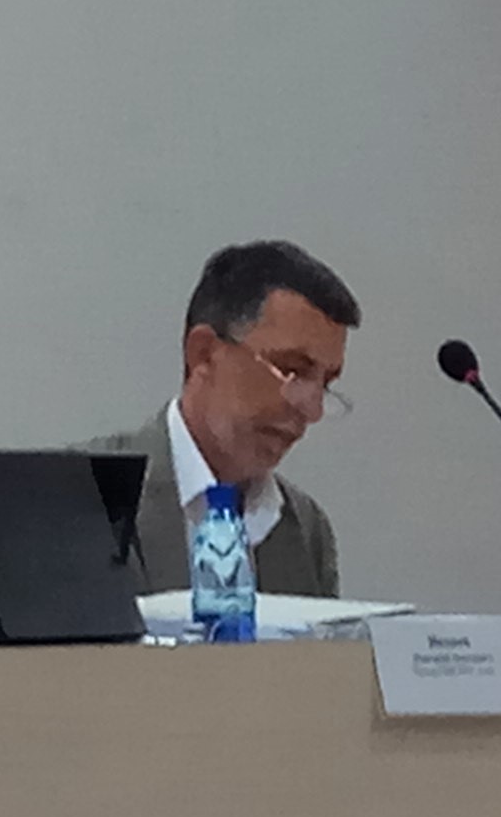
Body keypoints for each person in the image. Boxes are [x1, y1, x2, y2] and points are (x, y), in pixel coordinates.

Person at [100, 241, 359, 600]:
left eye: (325, 384)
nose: (311, 410)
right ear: (204, 354)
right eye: (292, 371)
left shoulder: (306, 526)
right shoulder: (90, 497)